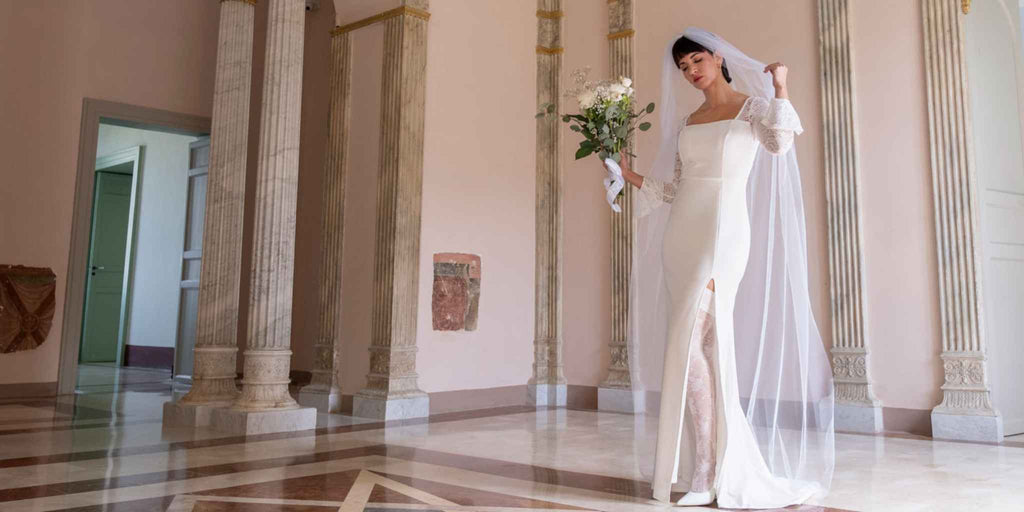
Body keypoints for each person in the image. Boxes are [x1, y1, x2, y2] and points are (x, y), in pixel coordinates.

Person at [615, 28, 835, 508]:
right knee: (697, 343)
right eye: (683, 67)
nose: (692, 72)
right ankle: (712, 463)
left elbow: (779, 144)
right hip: (683, 235)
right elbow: (673, 187)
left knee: (691, 340)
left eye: (697, 60)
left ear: (717, 58)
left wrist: (780, 88)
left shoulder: (753, 107)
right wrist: (628, 174)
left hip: (725, 232)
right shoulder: (691, 120)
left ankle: (707, 470)